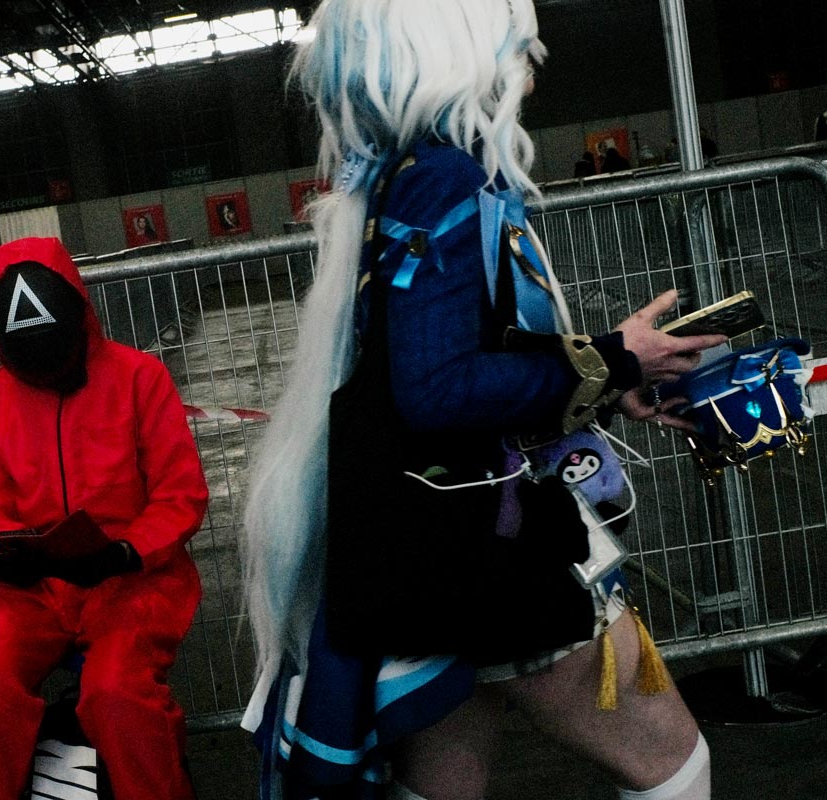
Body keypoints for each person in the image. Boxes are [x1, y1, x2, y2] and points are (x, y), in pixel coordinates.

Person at [240, 2, 724, 799]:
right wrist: (611, 357)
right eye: (515, 45)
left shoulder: (407, 177)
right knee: (673, 761)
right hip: (486, 549)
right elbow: (435, 388)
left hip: (433, 554)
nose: (532, 66)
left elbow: (460, 359)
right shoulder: (446, 179)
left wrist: (611, 378)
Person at [0, 237, 209, 800]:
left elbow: (179, 494)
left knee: (117, 693)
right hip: (34, 591)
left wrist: (126, 551)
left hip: (132, 580)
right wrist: (1, 551)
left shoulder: (139, 379)